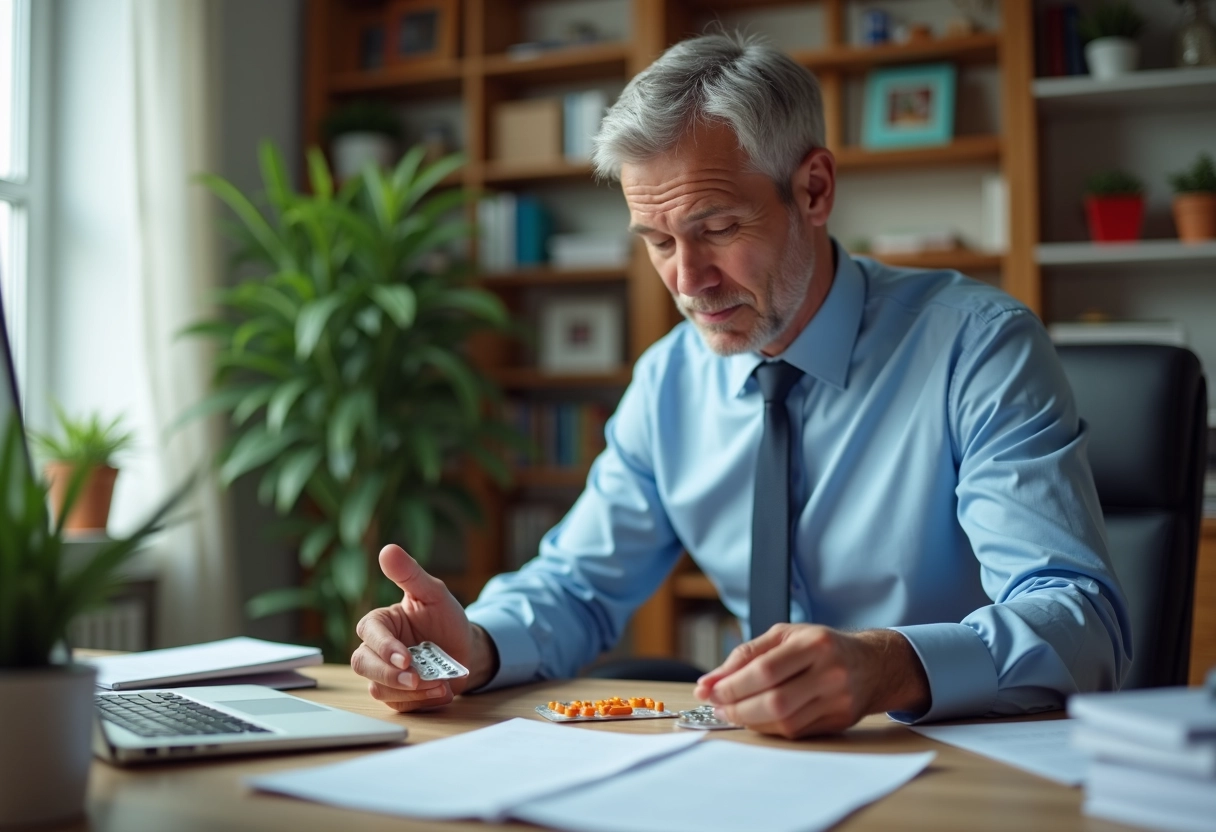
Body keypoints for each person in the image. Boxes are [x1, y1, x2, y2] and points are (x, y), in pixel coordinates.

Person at [350, 32, 1131, 738]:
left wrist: (890, 667)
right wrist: (474, 643)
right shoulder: (668, 381)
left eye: (717, 228)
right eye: (659, 242)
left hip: (961, 761)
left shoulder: (978, 347)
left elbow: (1084, 623)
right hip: (757, 764)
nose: (688, 281)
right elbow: (577, 585)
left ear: (814, 190)